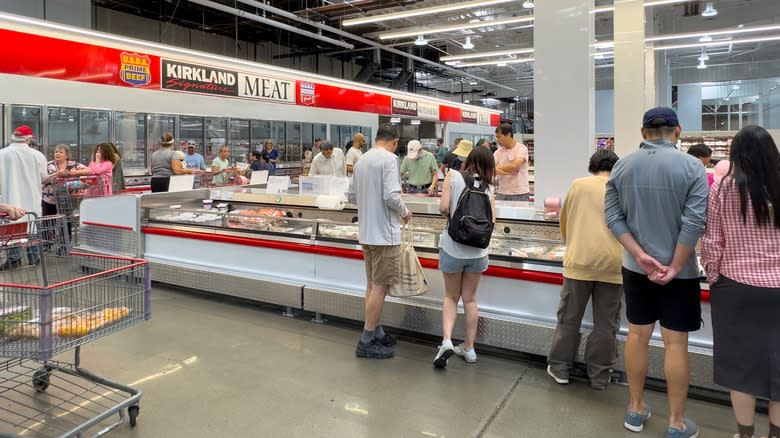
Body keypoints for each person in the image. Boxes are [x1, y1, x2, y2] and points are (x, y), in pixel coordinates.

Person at [605, 107, 707, 438]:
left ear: (643, 132)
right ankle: (676, 423)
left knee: (637, 335)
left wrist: (639, 255)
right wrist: (675, 265)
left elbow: (613, 217)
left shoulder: (622, 165)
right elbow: (694, 222)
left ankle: (635, 409)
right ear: (678, 131)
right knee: (675, 343)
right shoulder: (693, 167)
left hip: (636, 269)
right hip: (681, 273)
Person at [701, 125, 780, 438]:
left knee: (741, 367)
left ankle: (744, 434)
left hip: (736, 287)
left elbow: (712, 240)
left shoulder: (723, 188)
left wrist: (713, 274)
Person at [547, 150, 623, 390]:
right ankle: (599, 375)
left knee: (569, 318)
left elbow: (564, 219)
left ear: (592, 165)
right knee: (606, 325)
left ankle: (560, 368)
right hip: (614, 264)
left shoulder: (578, 185)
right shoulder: (622, 187)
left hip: (579, 262)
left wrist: (571, 243)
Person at [348, 123, 411, 359]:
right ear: (394, 141)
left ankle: (377, 331)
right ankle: (366, 340)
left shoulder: (361, 159)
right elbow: (391, 196)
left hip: (366, 233)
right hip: (385, 235)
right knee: (380, 288)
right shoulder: (389, 160)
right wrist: (405, 211)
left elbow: (352, 196)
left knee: (372, 287)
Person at [432, 146, 496, 368]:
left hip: (453, 247)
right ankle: (469, 348)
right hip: (478, 252)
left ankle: (447, 341)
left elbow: (443, 208)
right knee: (470, 299)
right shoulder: (489, 187)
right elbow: (493, 221)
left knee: (451, 297)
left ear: (469, 160)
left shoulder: (453, 175)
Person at [0, 125, 47, 269]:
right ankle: (34, 256)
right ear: (28, 138)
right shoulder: (37, 155)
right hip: (32, 197)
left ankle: (14, 259)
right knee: (32, 225)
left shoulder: (2, 154)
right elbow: (44, 177)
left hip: (9, 197)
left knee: (14, 228)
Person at [41, 144, 89, 216]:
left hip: (67, 199)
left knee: (66, 222)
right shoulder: (48, 165)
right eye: (56, 152)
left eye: (61, 152)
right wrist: (56, 174)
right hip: (49, 200)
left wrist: (71, 173)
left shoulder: (72, 164)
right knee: (48, 222)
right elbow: (43, 180)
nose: (57, 154)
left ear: (66, 155)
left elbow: (89, 170)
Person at [493, 123, 530, 201]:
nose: (497, 140)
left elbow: (514, 166)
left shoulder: (521, 148)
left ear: (508, 135)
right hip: (502, 192)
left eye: (499, 137)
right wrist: (509, 171)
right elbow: (491, 169)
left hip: (519, 193)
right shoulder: (497, 152)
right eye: (496, 137)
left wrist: (499, 168)